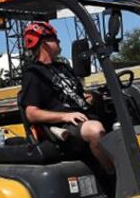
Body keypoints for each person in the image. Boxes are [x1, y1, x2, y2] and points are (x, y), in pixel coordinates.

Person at [17, 21, 114, 173]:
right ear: (44, 43)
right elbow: (31, 113)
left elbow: (76, 96)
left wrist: (90, 98)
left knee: (124, 118)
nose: (59, 41)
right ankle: (114, 176)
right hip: (63, 127)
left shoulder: (63, 68)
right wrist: (65, 117)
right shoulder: (33, 74)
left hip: (82, 116)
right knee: (95, 130)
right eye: (54, 38)